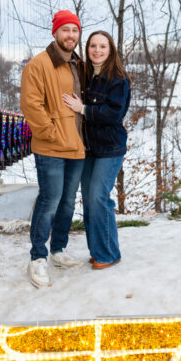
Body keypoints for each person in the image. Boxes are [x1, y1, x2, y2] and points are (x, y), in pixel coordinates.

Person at [20, 10, 86, 288]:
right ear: (55, 33)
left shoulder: (79, 65)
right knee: (49, 200)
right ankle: (38, 258)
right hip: (52, 147)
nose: (70, 35)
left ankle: (58, 250)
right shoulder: (38, 65)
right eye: (65, 30)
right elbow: (30, 104)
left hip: (78, 146)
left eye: (75, 30)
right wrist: (50, 133)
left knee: (68, 202)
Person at [63, 31, 130, 270]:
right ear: (88, 48)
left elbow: (113, 114)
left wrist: (83, 109)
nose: (97, 50)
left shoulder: (118, 79)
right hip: (89, 147)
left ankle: (109, 253)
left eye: (103, 46)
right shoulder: (86, 75)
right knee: (90, 201)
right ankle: (99, 250)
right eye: (93, 46)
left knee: (98, 198)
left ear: (110, 50)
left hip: (110, 147)